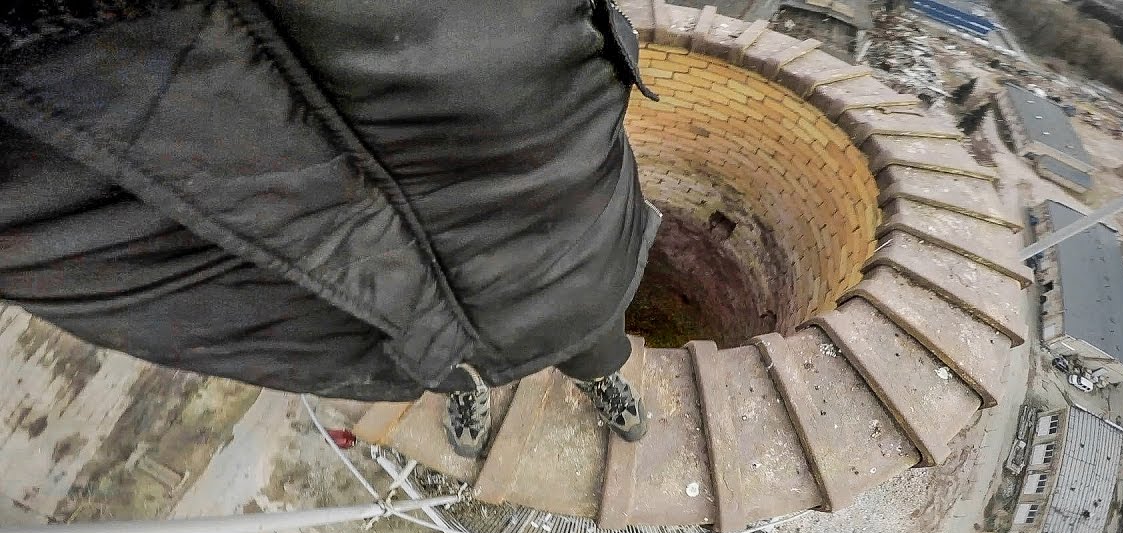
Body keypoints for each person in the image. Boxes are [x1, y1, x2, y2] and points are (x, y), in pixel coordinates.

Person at [0, 0, 661, 458]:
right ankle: (473, 388)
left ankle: (600, 377)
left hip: (568, 222)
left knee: (589, 326)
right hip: (408, 322)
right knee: (453, 362)